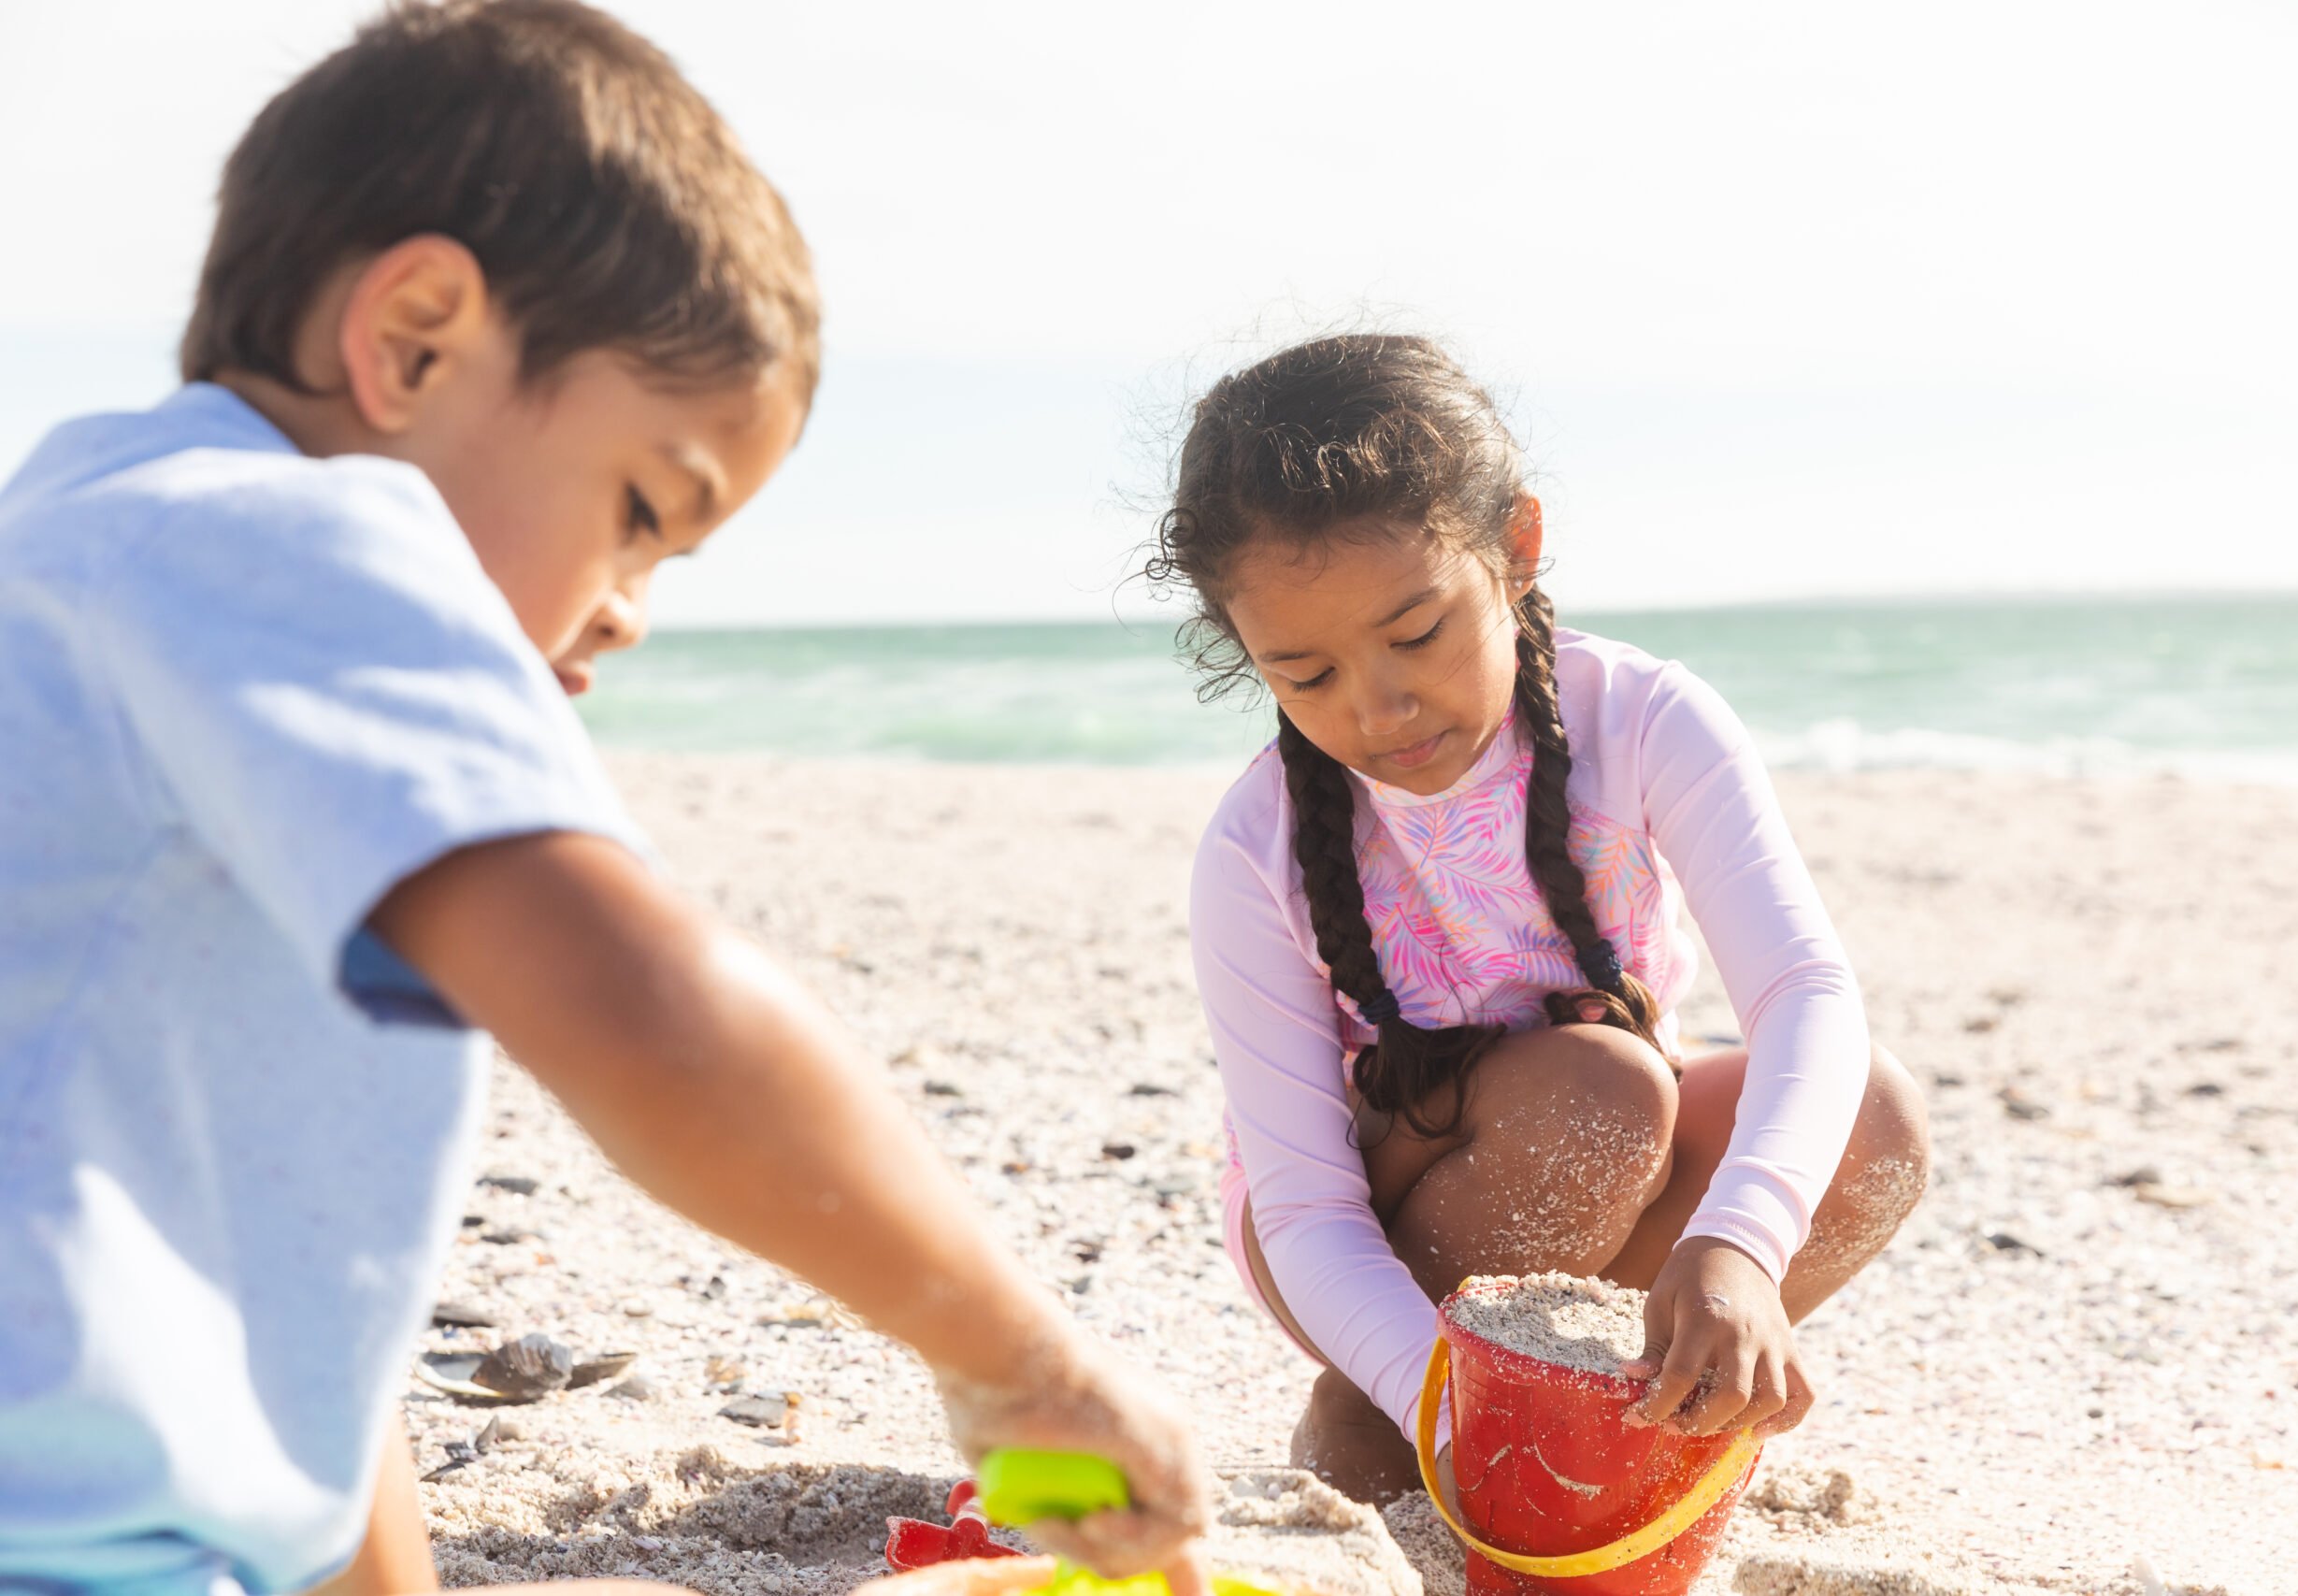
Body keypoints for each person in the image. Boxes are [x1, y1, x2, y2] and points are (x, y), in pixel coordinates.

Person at [0, 5, 1208, 1592]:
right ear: (415, 337)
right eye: (643, 508)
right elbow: (650, 1005)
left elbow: (302, 1305)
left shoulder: (103, 569)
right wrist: (1019, 1355)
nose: (630, 605)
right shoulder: (279, 532)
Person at [1151, 334, 1932, 1502]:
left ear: (1514, 548)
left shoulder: (1647, 719)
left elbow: (1804, 996)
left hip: (1604, 1156)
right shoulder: (1252, 851)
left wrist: (1741, 1245)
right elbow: (1306, 1204)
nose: (1379, 705)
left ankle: (1617, 1416)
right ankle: (1410, 1405)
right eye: (1304, 674)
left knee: (1871, 1118)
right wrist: (1439, 1404)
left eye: (1416, 633)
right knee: (1602, 1094)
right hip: (1356, 1242)